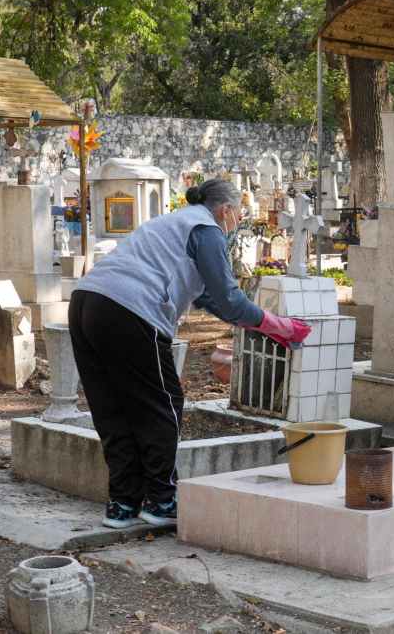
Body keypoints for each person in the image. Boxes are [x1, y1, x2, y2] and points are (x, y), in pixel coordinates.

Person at [69, 178, 310, 529]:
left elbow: (213, 300)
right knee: (163, 405)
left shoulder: (175, 223)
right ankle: (162, 500)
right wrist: (280, 326)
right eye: (239, 212)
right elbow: (230, 299)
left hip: (86, 303)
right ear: (226, 210)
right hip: (130, 309)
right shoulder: (206, 228)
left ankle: (122, 504)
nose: (239, 220)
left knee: (113, 408)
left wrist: (262, 326)